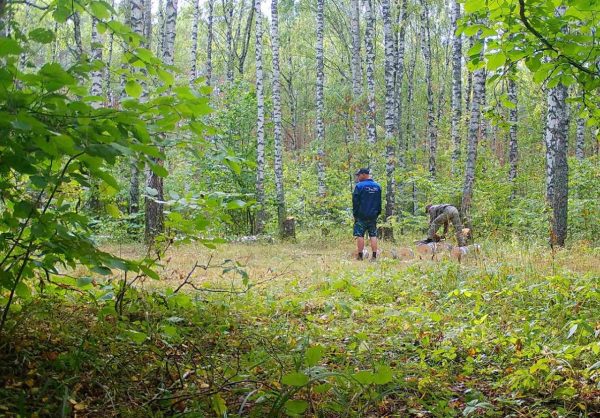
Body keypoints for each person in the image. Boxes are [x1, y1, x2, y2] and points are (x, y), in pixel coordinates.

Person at [352, 168, 382, 260]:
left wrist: (355, 214)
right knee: (373, 235)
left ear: (364, 174)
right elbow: (379, 202)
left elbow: (355, 202)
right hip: (373, 215)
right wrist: (377, 213)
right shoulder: (377, 186)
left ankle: (360, 256)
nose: (358, 177)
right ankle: (374, 256)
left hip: (361, 215)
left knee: (360, 235)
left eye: (359, 175)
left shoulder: (359, 186)